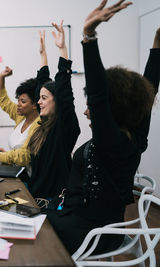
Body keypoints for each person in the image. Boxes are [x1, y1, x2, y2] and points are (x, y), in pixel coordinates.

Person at [47, 0, 159, 255]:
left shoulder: (112, 143)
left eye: (92, 107)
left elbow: (98, 95)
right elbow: (150, 88)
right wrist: (157, 45)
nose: (88, 110)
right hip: (95, 225)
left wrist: (89, 36)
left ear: (107, 110)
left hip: (89, 234)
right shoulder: (135, 136)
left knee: (25, 234)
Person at [22, 20, 80, 199]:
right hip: (34, 194)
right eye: (39, 98)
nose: (38, 102)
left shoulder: (64, 127)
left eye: (44, 99)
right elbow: (42, 82)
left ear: (57, 102)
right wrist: (43, 54)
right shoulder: (44, 124)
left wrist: (62, 50)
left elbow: (64, 91)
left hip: (51, 202)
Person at [0, 32, 51, 170]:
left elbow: (25, 155)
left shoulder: (39, 125)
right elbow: (3, 100)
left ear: (34, 104)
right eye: (18, 100)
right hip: (15, 171)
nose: (18, 104)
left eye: (23, 101)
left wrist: (0, 156)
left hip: (29, 178)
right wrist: (1, 77)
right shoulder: (21, 116)